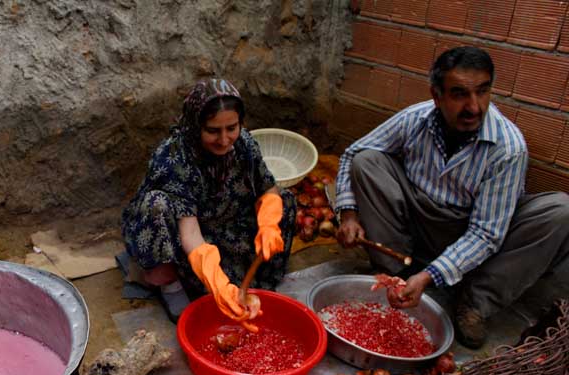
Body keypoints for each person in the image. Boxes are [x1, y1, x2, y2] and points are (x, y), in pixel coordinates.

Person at [334, 46, 569, 349]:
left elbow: (486, 234)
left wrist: (431, 275)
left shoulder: (508, 147)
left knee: (560, 211)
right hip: (420, 220)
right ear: (437, 96)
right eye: (459, 94)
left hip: (477, 237)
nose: (474, 107)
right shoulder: (415, 119)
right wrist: (349, 213)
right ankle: (396, 274)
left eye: (482, 92)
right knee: (367, 161)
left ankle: (475, 302)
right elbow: (353, 151)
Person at [121, 78, 296, 323]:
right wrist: (219, 284)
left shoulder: (244, 144)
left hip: (225, 222)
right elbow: (190, 234)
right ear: (196, 125)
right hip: (186, 234)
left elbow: (268, 189)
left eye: (231, 128)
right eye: (213, 131)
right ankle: (169, 284)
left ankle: (254, 279)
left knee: (284, 201)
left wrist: (268, 225)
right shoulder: (174, 157)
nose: (224, 140)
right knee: (157, 205)